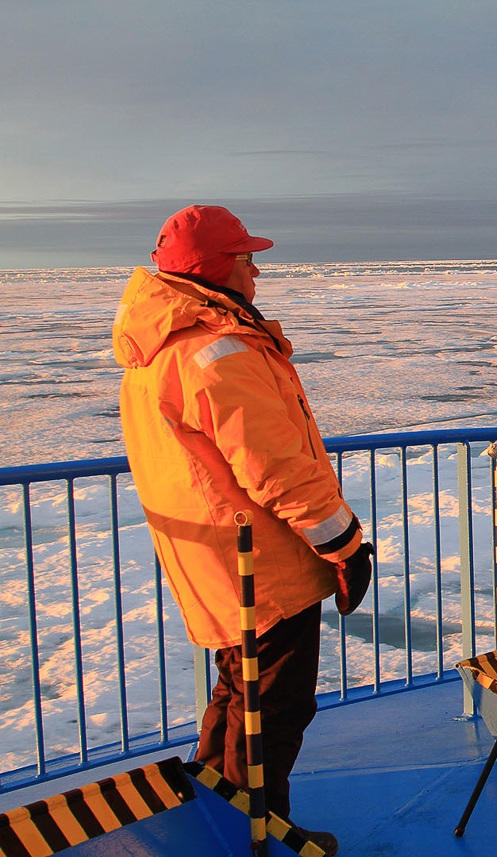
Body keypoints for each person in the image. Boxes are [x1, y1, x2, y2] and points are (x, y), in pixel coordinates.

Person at [112, 205, 373, 854]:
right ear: (216, 267)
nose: (256, 270)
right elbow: (273, 464)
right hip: (259, 564)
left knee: (238, 693)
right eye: (247, 257)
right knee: (272, 711)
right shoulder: (214, 348)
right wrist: (342, 542)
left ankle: (213, 819)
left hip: (217, 560)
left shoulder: (161, 344)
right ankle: (256, 837)